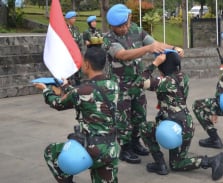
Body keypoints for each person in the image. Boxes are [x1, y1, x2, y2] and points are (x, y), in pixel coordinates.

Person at [103, 3, 184, 164]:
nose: (123, 28)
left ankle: (135, 142)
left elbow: (156, 45)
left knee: (139, 115)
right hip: (120, 86)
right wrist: (147, 49)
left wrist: (174, 48)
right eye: (118, 26)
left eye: (125, 24)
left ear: (129, 18)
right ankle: (125, 148)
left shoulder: (136, 30)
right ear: (112, 26)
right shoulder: (109, 39)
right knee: (123, 118)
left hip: (138, 82)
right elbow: (123, 55)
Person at [133, 50, 223, 181]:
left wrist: (154, 64)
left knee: (144, 127)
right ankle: (211, 161)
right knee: (176, 164)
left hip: (171, 127)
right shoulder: (183, 77)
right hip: (186, 125)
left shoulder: (165, 81)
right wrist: (174, 57)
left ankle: (160, 164)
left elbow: (139, 82)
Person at [34, 47, 120, 183]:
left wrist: (46, 90)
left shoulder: (80, 91)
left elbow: (58, 104)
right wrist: (67, 86)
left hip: (91, 150)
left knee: (51, 152)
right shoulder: (114, 85)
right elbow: (87, 93)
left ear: (87, 64)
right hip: (111, 148)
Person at [65, 10, 83, 86]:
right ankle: (68, 87)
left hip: (76, 53)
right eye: (72, 18)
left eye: (75, 18)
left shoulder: (76, 28)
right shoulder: (64, 28)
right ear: (68, 19)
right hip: (68, 54)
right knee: (68, 71)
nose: (74, 19)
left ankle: (78, 85)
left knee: (78, 71)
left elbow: (79, 40)